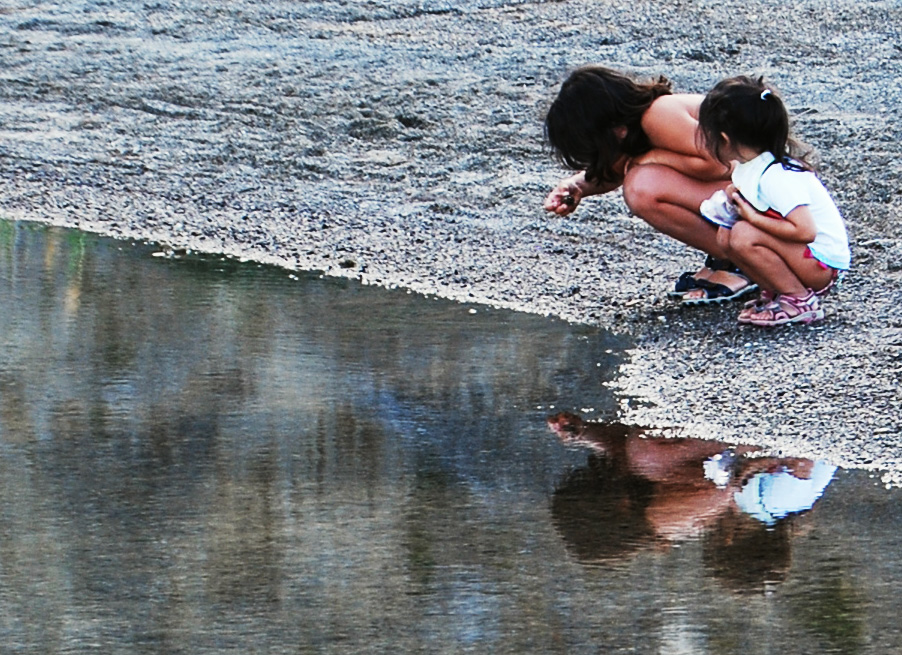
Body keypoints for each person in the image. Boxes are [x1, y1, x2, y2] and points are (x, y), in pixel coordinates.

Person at [543, 65, 757, 303]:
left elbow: (722, 164)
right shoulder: (638, 128)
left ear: (617, 131)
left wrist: (646, 160)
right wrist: (578, 185)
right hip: (749, 190)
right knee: (641, 180)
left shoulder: (659, 115)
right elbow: (619, 169)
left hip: (767, 188)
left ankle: (745, 261)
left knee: (641, 189)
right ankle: (728, 258)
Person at [691, 76, 851, 326]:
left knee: (744, 234)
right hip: (804, 257)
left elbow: (805, 230)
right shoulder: (750, 166)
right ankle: (776, 292)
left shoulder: (777, 176)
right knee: (726, 237)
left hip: (822, 263)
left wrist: (751, 218)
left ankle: (799, 299)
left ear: (724, 139)